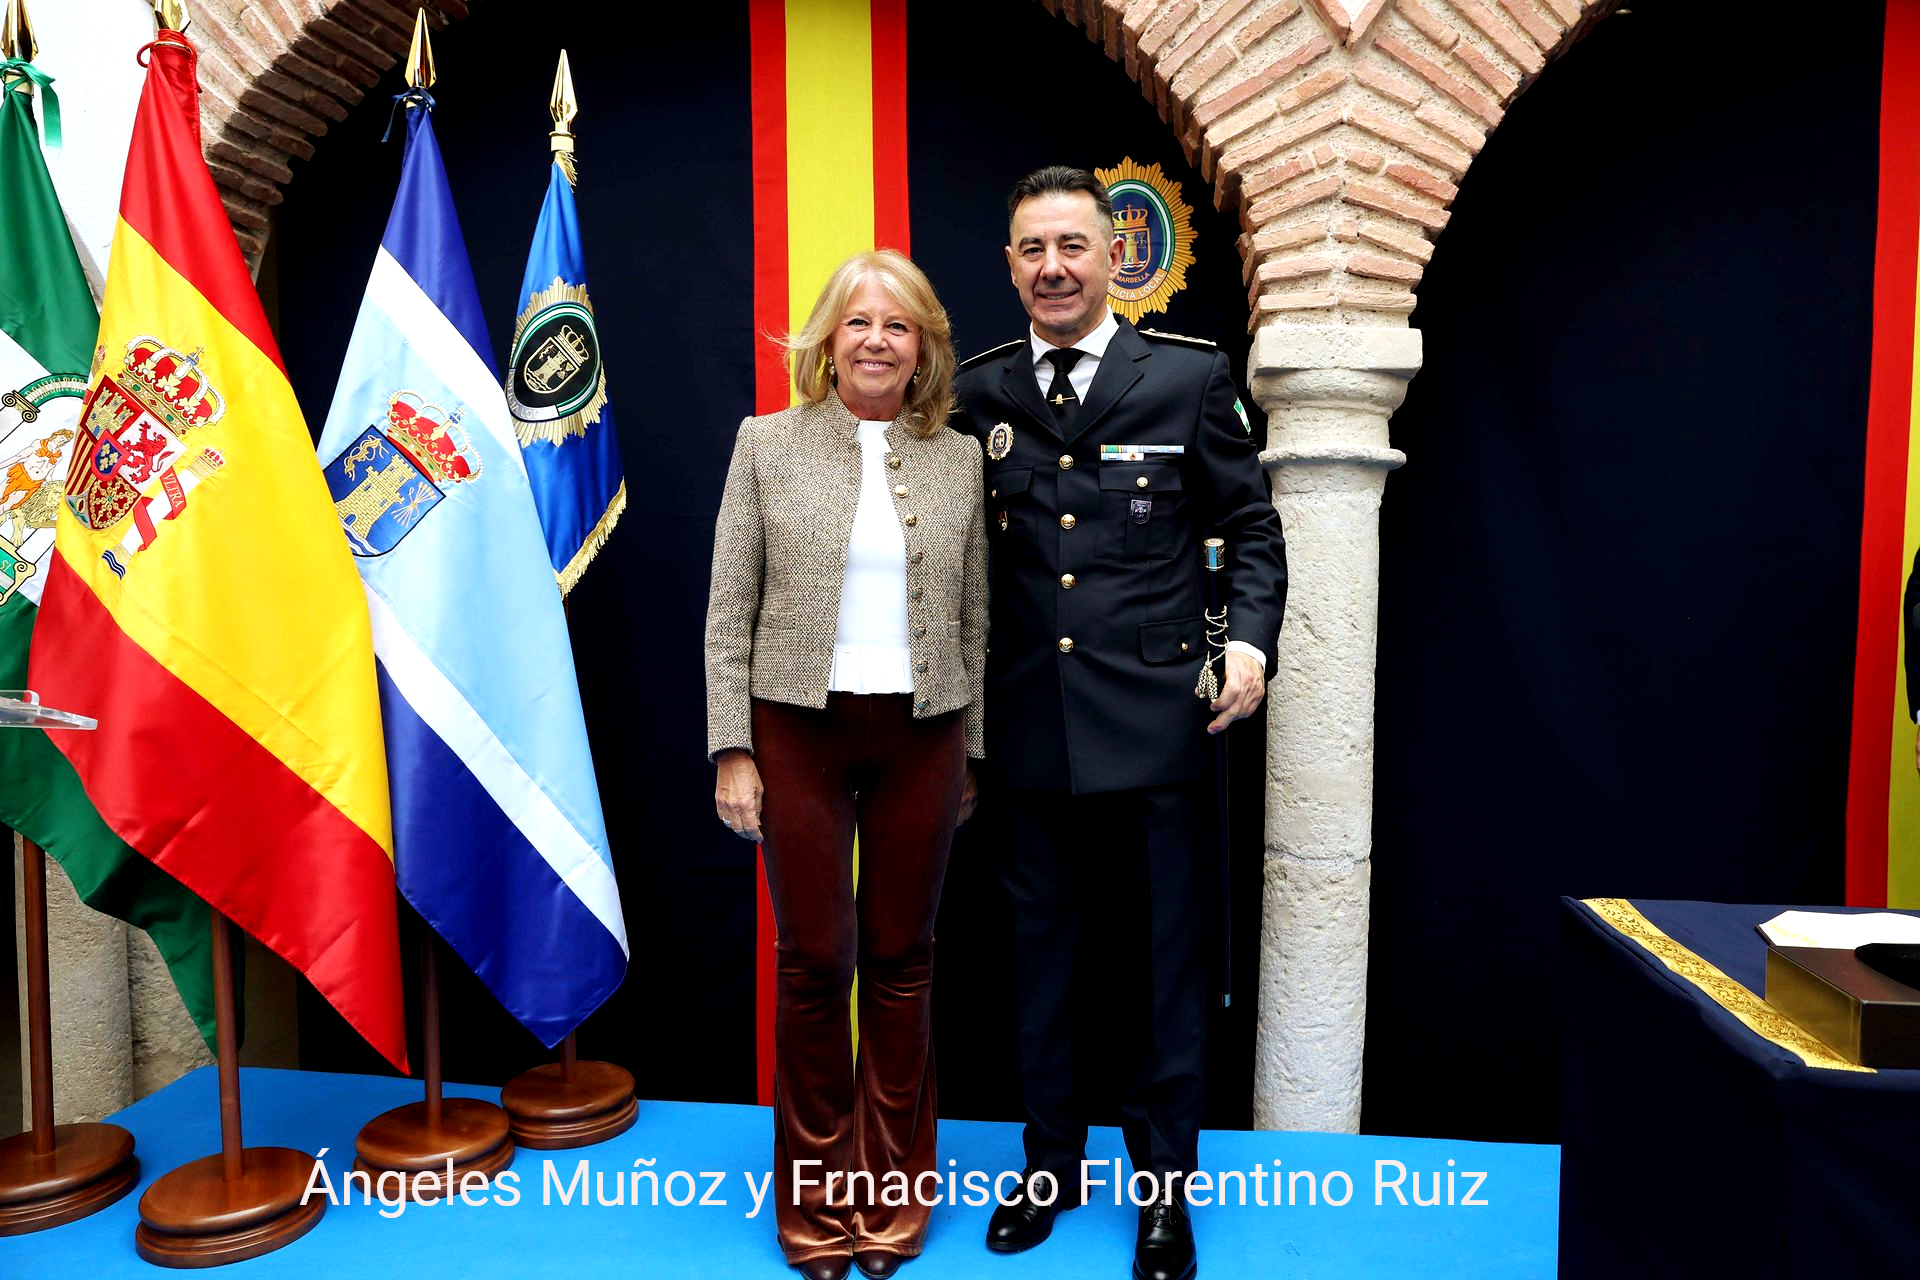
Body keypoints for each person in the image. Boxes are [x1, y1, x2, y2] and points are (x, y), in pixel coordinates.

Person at [952, 167, 1288, 1280]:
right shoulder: (980, 392)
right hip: (1027, 729)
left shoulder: (1186, 377)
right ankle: (1050, 1164)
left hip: (1156, 730)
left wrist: (1249, 643)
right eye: (1032, 249)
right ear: (1011, 265)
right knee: (1040, 964)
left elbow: (1252, 528)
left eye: (1073, 246)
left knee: (1161, 972)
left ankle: (1162, 1190)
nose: (1053, 267)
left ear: (1113, 258)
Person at [705, 249, 986, 1280]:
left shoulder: (960, 457)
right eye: (859, 321)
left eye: (898, 325)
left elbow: (975, 615)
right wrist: (732, 747)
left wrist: (971, 751)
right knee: (816, 960)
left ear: (924, 347)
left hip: (924, 735)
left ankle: (892, 1189)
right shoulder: (766, 444)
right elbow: (727, 610)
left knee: (904, 961)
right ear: (828, 337)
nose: (877, 340)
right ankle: (818, 1194)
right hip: (798, 735)